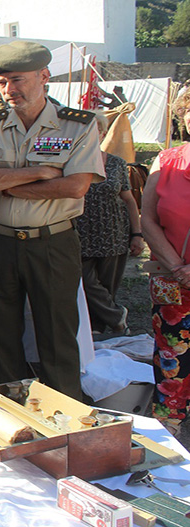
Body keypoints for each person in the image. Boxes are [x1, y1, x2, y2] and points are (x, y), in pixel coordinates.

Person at [0, 41, 104, 400]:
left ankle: (64, 412)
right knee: (1, 334)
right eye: (2, 83)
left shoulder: (78, 126)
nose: (10, 90)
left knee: (57, 335)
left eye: (18, 80)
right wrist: (41, 172)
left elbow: (74, 186)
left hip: (52, 243)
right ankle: (10, 409)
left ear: (44, 77)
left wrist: (6, 184)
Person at [142, 88, 190, 429]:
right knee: (171, 354)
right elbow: (148, 219)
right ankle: (169, 424)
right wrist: (177, 267)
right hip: (171, 279)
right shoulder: (166, 160)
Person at [77, 112, 143, 334]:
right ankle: (116, 315)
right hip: (80, 232)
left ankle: (97, 325)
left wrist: (137, 234)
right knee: (84, 280)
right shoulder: (71, 162)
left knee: (108, 284)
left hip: (113, 232)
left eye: (94, 128)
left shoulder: (116, 164)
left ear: (102, 132)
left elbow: (129, 201)